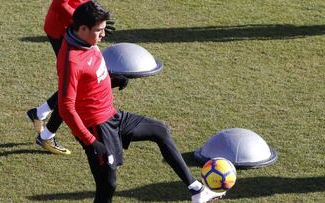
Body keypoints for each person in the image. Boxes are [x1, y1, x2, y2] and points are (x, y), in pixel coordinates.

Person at [57, 1, 226, 203]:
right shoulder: (72, 61)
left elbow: (90, 75)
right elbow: (65, 107)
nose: (103, 35)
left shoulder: (85, 38)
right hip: (96, 128)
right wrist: (91, 141)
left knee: (160, 130)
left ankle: (197, 191)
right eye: (99, 30)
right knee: (107, 185)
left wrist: (111, 79)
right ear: (83, 29)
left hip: (113, 115)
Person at [26, 0, 115, 155]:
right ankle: (46, 136)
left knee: (74, 85)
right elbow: (60, 5)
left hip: (82, 25)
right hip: (66, 29)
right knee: (73, 88)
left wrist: (97, 18)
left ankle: (39, 113)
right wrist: (89, 22)